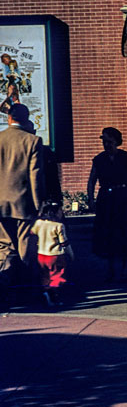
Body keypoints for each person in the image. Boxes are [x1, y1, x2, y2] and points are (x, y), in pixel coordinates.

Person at [87, 127, 127, 282]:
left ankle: (124, 269)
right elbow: (92, 180)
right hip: (106, 199)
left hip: (123, 198)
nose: (106, 145)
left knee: (124, 233)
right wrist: (90, 199)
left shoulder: (126, 158)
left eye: (109, 142)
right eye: (104, 142)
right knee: (108, 233)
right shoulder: (99, 159)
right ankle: (111, 269)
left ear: (116, 142)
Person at [0, 103, 43, 302]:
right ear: (26, 120)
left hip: (1, 202)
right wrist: (38, 205)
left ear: (9, 118)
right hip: (23, 202)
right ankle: (25, 287)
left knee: (5, 247)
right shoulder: (32, 141)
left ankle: (6, 285)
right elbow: (35, 176)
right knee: (26, 247)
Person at [30, 202, 72, 306]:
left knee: (45, 275)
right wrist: (71, 254)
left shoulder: (39, 223)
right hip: (55, 255)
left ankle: (46, 292)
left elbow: (32, 233)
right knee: (57, 276)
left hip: (41, 254)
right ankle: (54, 295)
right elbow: (64, 242)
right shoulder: (59, 226)